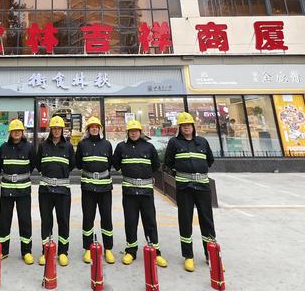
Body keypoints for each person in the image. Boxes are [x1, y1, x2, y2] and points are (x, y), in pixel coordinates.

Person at [164, 112, 216, 272]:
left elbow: (210, 160)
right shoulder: (174, 143)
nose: (186, 127)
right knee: (185, 220)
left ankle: (211, 255)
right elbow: (168, 162)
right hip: (184, 187)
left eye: (189, 125)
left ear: (193, 126)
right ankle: (188, 256)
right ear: (179, 128)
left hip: (202, 186)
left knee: (207, 220)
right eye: (183, 125)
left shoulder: (202, 142)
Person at [112, 119, 168, 268]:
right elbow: (115, 164)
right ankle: (131, 250)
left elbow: (156, 166)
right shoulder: (121, 147)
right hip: (129, 193)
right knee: (130, 222)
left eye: (136, 130)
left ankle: (155, 251)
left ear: (140, 132)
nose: (134, 133)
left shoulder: (149, 147)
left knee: (150, 221)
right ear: (128, 133)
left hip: (146, 193)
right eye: (131, 131)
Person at [36, 115, 75, 267]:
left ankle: (63, 252)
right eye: (55, 128)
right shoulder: (43, 146)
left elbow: (72, 165)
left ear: (62, 130)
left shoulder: (68, 147)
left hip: (63, 191)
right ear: (51, 129)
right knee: (46, 221)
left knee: (63, 221)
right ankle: (46, 251)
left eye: (59, 128)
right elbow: (39, 165)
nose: (57, 131)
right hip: (45, 191)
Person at [76, 116, 115, 264]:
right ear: (88, 129)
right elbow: (79, 164)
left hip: (105, 188)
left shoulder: (107, 144)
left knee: (106, 218)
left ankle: (108, 249)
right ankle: (88, 248)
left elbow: (110, 163)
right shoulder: (82, 144)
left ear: (100, 129)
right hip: (88, 188)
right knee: (88, 218)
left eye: (96, 126)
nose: (94, 128)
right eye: (91, 126)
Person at [0, 119, 36, 264]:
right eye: (14, 131)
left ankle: (26, 251)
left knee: (25, 220)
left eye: (19, 130)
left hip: (24, 189)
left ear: (22, 132)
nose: (16, 133)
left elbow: (32, 165)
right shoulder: (3, 148)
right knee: (4, 220)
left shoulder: (29, 147)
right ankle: (3, 250)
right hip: (7, 190)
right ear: (10, 133)